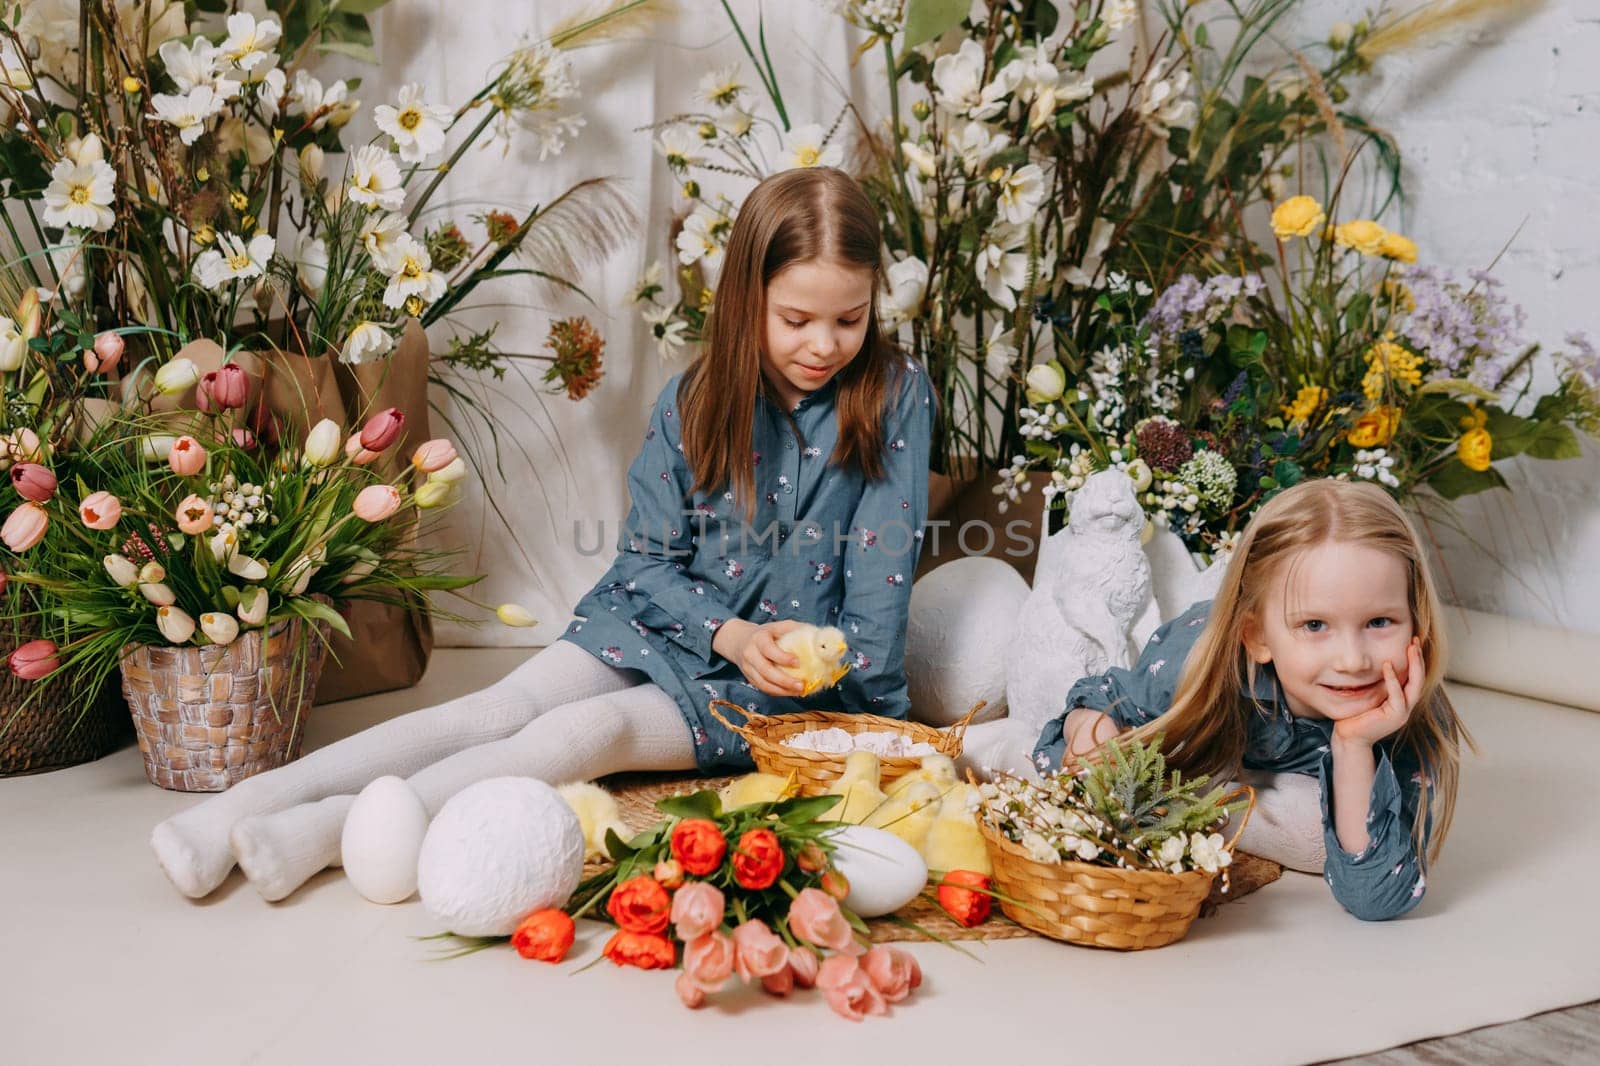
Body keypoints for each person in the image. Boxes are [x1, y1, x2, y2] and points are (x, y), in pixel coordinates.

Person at [150, 166, 937, 901]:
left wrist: (868, 722)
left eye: (851, 320)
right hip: (663, 623)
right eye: (796, 319)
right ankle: (237, 810)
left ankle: (326, 834)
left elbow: (880, 593)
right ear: (745, 304)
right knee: (492, 712)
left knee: (589, 731)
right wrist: (727, 632)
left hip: (769, 691)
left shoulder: (895, 396)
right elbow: (647, 565)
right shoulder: (693, 400)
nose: (825, 345)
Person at [1028, 478, 1474, 920]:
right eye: (1314, 625)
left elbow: (1376, 896)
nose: (1353, 660)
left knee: (1308, 831)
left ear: (1417, 621)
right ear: (1258, 636)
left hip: (1272, 758)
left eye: (1380, 621)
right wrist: (1096, 739)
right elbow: (1101, 696)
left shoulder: (1408, 714)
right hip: (1201, 648)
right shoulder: (1197, 669)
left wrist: (1354, 745)